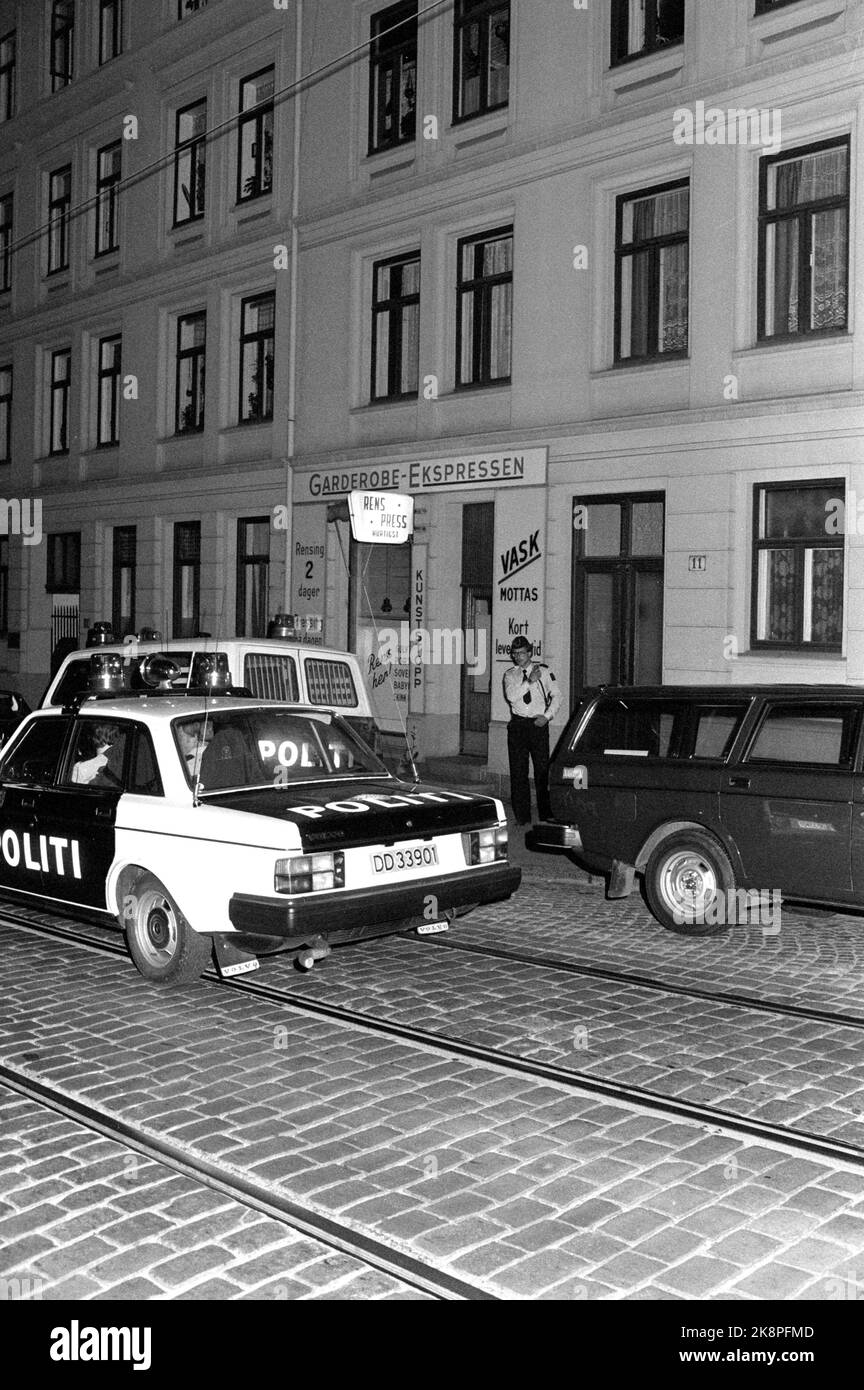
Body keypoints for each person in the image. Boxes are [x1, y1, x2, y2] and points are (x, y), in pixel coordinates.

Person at [503, 636, 562, 825]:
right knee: (518, 772)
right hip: (518, 725)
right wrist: (529, 682)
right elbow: (512, 697)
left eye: (521, 653)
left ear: (530, 653)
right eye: (515, 653)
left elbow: (557, 695)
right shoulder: (510, 674)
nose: (518, 657)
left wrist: (547, 716)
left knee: (542, 770)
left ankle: (546, 814)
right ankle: (522, 817)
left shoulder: (543, 671)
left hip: (537, 725)